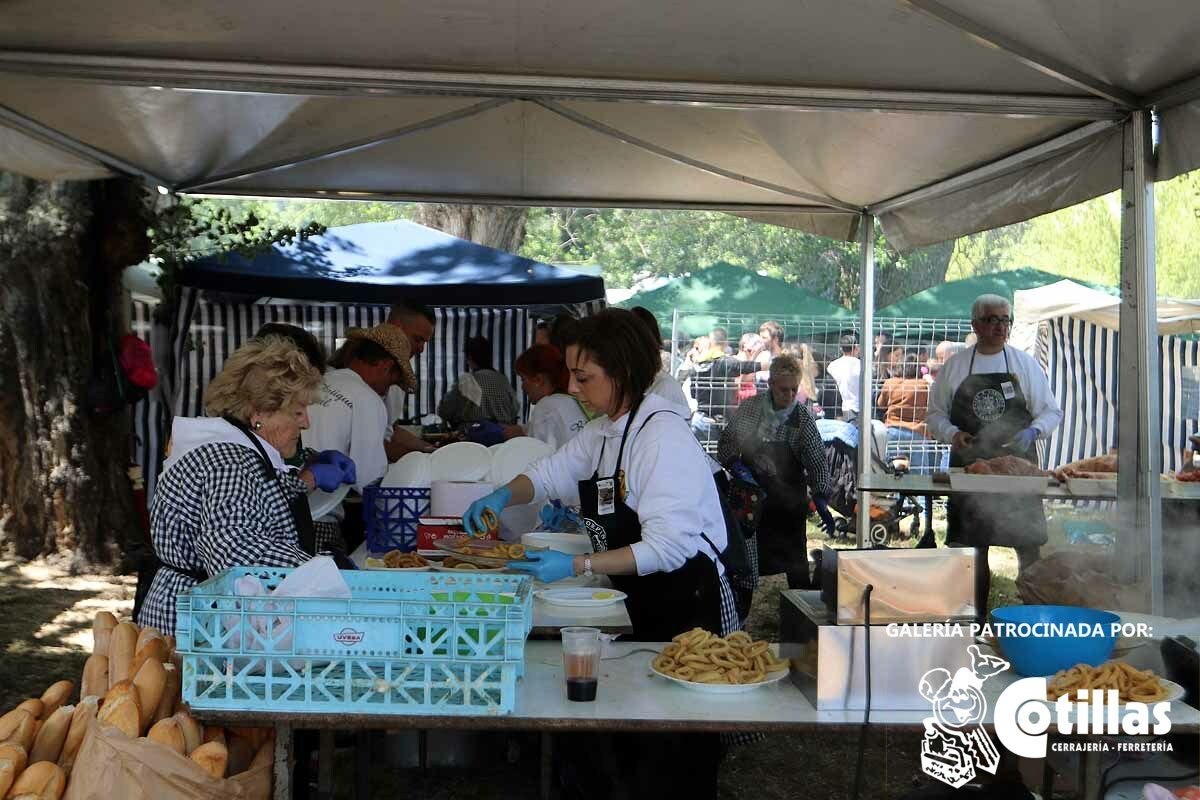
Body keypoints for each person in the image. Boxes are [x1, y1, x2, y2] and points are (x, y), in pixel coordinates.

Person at [461, 309, 737, 797]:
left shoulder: (660, 436)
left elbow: (669, 548)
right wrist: (502, 494)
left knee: (674, 747)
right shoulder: (607, 430)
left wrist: (577, 565)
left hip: (685, 601)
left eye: (584, 377)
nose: (574, 386)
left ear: (622, 372)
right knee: (632, 727)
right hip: (641, 598)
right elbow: (550, 474)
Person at [135, 336, 356, 634]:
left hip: (193, 611)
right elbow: (233, 545)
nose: (306, 424)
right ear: (258, 414)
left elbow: (255, 504)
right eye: (297, 411)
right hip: (192, 624)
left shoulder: (238, 450)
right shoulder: (230, 462)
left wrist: (306, 481)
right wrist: (321, 569)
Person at [926, 294, 1063, 620]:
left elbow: (1051, 412)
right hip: (970, 469)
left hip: (1017, 469)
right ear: (976, 325)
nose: (1001, 326)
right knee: (972, 551)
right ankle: (972, 622)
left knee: (1028, 547)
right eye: (992, 320)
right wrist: (952, 434)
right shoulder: (956, 367)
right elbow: (934, 415)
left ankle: (1036, 619)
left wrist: (1031, 432)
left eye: (1005, 320)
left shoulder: (1024, 365)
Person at [717, 355, 835, 611]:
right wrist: (738, 467)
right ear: (770, 384)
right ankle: (740, 616)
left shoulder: (802, 418)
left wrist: (822, 498)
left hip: (788, 505)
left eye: (794, 389)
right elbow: (726, 445)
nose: (790, 395)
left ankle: (803, 619)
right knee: (746, 565)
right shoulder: (750, 409)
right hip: (752, 503)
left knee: (797, 568)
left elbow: (816, 461)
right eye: (784, 389)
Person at [305, 324, 418, 552]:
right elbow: (369, 480)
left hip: (281, 506)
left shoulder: (319, 379)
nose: (387, 391)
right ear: (386, 367)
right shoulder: (368, 399)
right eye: (392, 382)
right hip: (318, 516)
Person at [504, 343, 588, 451]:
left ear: (538, 380)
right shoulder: (569, 400)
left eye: (523, 379)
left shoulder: (546, 406)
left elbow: (537, 454)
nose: (522, 387)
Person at [384, 300, 438, 459]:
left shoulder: (399, 377)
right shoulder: (363, 374)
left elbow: (389, 430)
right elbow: (376, 442)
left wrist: (430, 450)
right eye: (417, 339)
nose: (421, 349)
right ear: (396, 326)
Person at [437, 335, 520, 427]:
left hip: (473, 436)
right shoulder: (503, 380)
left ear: (470, 357)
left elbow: (445, 410)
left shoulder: (467, 381)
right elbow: (515, 409)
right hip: (503, 436)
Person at [876, 351, 933, 474]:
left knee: (892, 470)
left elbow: (881, 404)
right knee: (920, 474)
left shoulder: (890, 383)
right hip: (917, 431)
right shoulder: (924, 385)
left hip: (893, 429)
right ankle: (920, 493)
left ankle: (894, 492)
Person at [826, 333, 862, 423]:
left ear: (841, 349)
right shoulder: (861, 365)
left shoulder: (832, 366)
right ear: (856, 347)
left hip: (840, 408)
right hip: (859, 407)